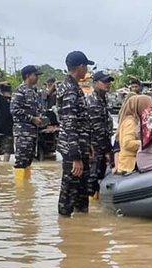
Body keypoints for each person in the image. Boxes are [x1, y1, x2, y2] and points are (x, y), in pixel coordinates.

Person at [56, 51, 94, 217]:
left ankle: (81, 232)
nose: (87, 70)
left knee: (81, 195)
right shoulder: (70, 90)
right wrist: (76, 157)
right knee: (69, 196)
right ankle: (66, 233)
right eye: (86, 66)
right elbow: (70, 124)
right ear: (81, 66)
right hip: (74, 150)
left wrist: (88, 144)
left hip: (80, 147)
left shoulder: (72, 86)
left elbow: (80, 122)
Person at [85, 71, 115, 199]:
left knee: (100, 176)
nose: (108, 84)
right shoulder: (91, 101)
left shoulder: (104, 100)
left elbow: (106, 126)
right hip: (93, 147)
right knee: (92, 179)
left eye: (109, 81)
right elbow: (92, 127)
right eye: (104, 82)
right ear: (96, 83)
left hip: (103, 145)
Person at [10, 65, 43, 178]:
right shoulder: (20, 91)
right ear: (28, 76)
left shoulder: (33, 92)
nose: (37, 77)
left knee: (28, 161)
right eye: (35, 75)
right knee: (21, 162)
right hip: (23, 132)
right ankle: (20, 192)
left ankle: (27, 190)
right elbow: (14, 110)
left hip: (33, 133)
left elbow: (37, 110)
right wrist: (32, 119)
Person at [114, 95, 152, 174]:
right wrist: (145, 143)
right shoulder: (131, 122)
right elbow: (127, 143)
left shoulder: (133, 120)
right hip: (129, 166)